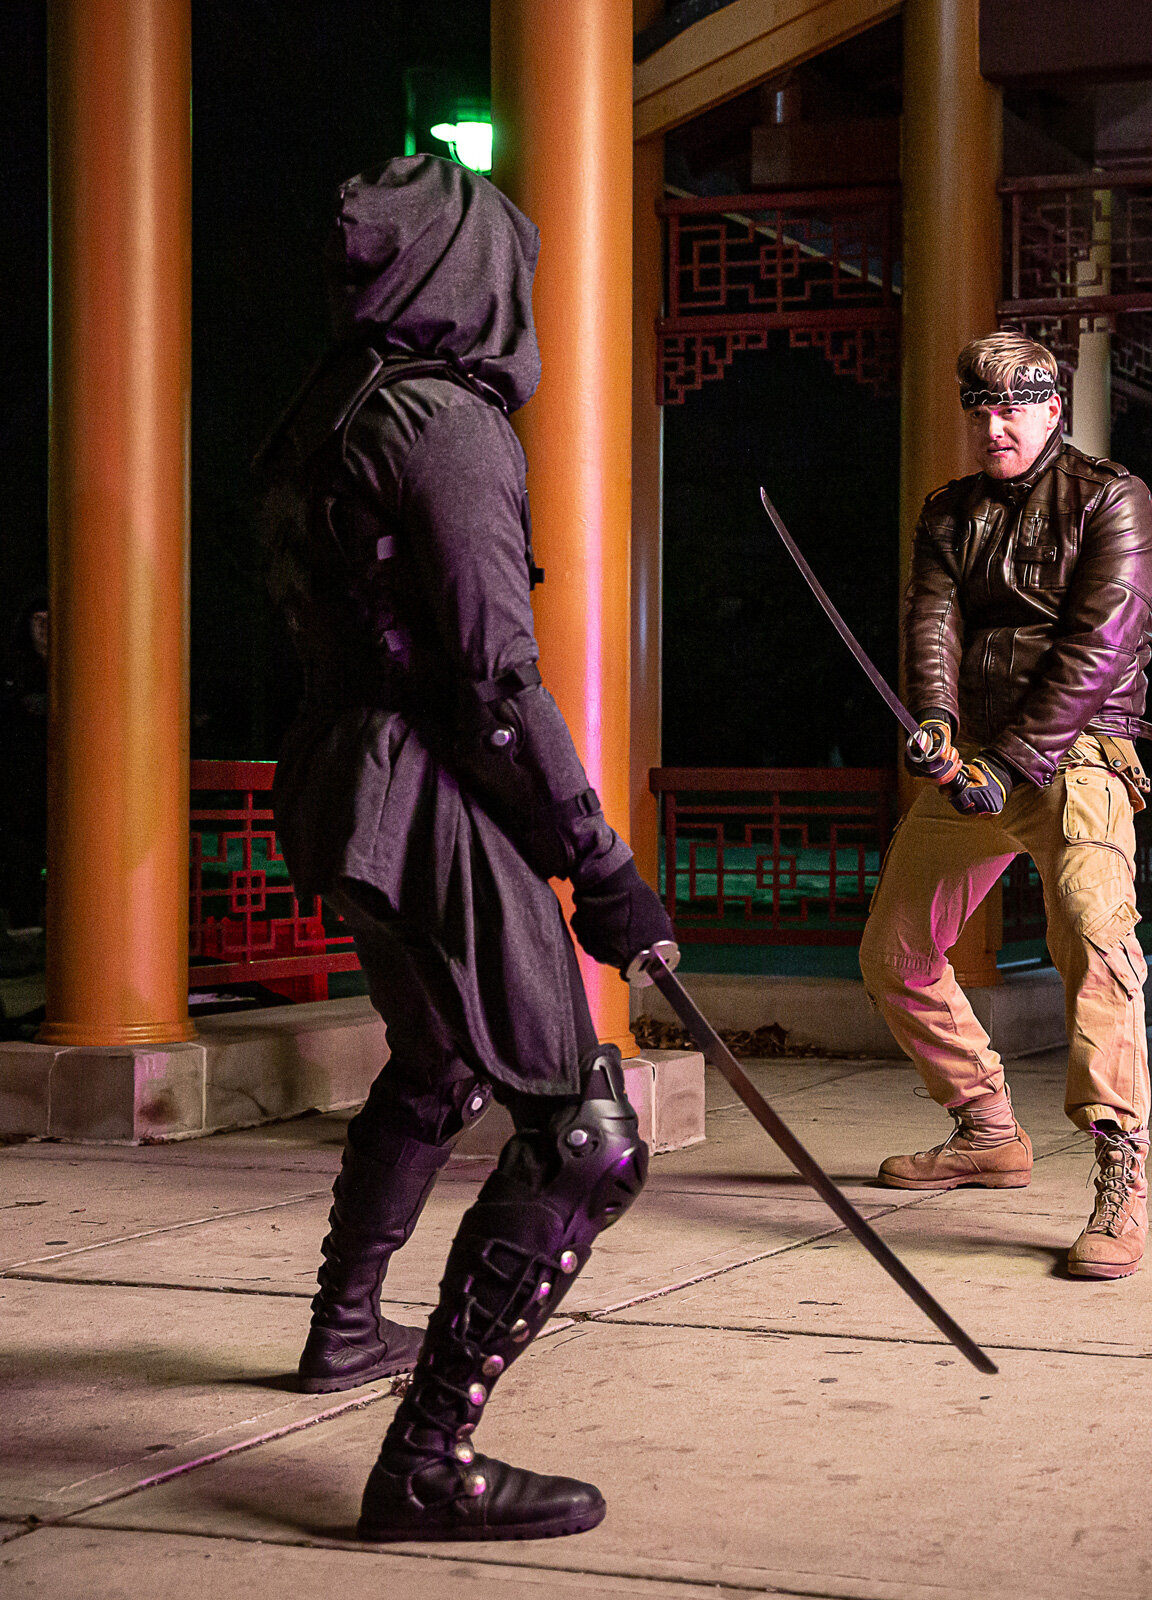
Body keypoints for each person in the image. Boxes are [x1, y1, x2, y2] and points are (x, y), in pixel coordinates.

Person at [256, 156, 673, 1542]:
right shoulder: (448, 426)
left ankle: (344, 1327)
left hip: (335, 782)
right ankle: (427, 1457)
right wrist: (599, 868)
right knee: (585, 1135)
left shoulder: (326, 416)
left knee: (438, 1064)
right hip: (422, 795)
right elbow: (494, 681)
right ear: (480, 275)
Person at [863, 330, 1152, 1280]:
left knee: (1093, 934)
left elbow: (1100, 647)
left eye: (1013, 405)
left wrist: (1015, 757)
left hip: (1078, 754)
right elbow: (933, 620)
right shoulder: (948, 513)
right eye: (980, 407)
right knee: (894, 951)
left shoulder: (1112, 500)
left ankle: (1121, 1173)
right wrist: (934, 721)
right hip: (979, 763)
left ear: (1052, 407)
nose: (995, 424)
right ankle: (986, 1128)